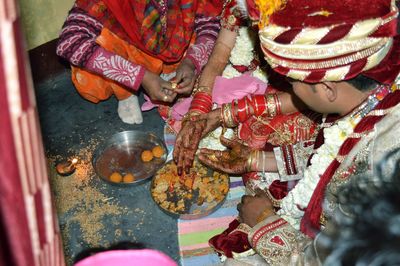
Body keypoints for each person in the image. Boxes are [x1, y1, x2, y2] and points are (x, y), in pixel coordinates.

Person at [195, 0, 400, 264]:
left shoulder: (379, 174)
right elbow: (334, 157)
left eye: (292, 83)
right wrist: (255, 160)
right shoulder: (375, 92)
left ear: (327, 89)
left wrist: (264, 222)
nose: (289, 91)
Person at [173, 0, 318, 176]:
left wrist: (232, 112)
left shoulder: (314, 14)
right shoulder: (242, 4)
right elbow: (220, 54)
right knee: (192, 92)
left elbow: (310, 93)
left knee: (279, 132)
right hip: (256, 74)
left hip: (300, 89)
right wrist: (197, 112)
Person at [56, 0, 223, 124]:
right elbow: (69, 42)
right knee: (102, 42)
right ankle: (125, 91)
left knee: (211, 41)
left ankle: (168, 70)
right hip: (128, 50)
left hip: (174, 48)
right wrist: (139, 76)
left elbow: (209, 24)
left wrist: (191, 63)